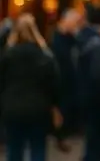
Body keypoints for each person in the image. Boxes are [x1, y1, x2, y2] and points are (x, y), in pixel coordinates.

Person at [0, 14, 61, 161]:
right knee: (38, 148)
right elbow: (54, 84)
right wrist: (55, 106)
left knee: (14, 149)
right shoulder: (45, 56)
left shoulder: (8, 56)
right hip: (39, 108)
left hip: (12, 107)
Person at [78, 6, 100, 161]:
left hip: (85, 96)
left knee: (93, 140)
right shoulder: (98, 45)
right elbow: (99, 76)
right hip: (97, 101)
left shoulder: (82, 38)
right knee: (97, 142)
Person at [50, 9, 81, 150]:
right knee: (61, 110)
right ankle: (60, 135)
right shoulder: (57, 38)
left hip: (71, 82)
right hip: (61, 81)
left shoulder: (72, 38)